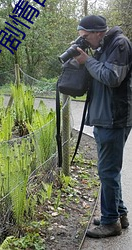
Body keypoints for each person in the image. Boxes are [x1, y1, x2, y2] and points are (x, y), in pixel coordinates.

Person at [74, 15, 132, 238]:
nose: (85, 41)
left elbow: (111, 77)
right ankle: (119, 214)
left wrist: (87, 61)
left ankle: (110, 223)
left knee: (107, 171)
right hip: (104, 117)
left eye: (86, 37)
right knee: (109, 171)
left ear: (98, 32)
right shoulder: (103, 46)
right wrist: (84, 59)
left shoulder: (120, 44)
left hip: (114, 118)